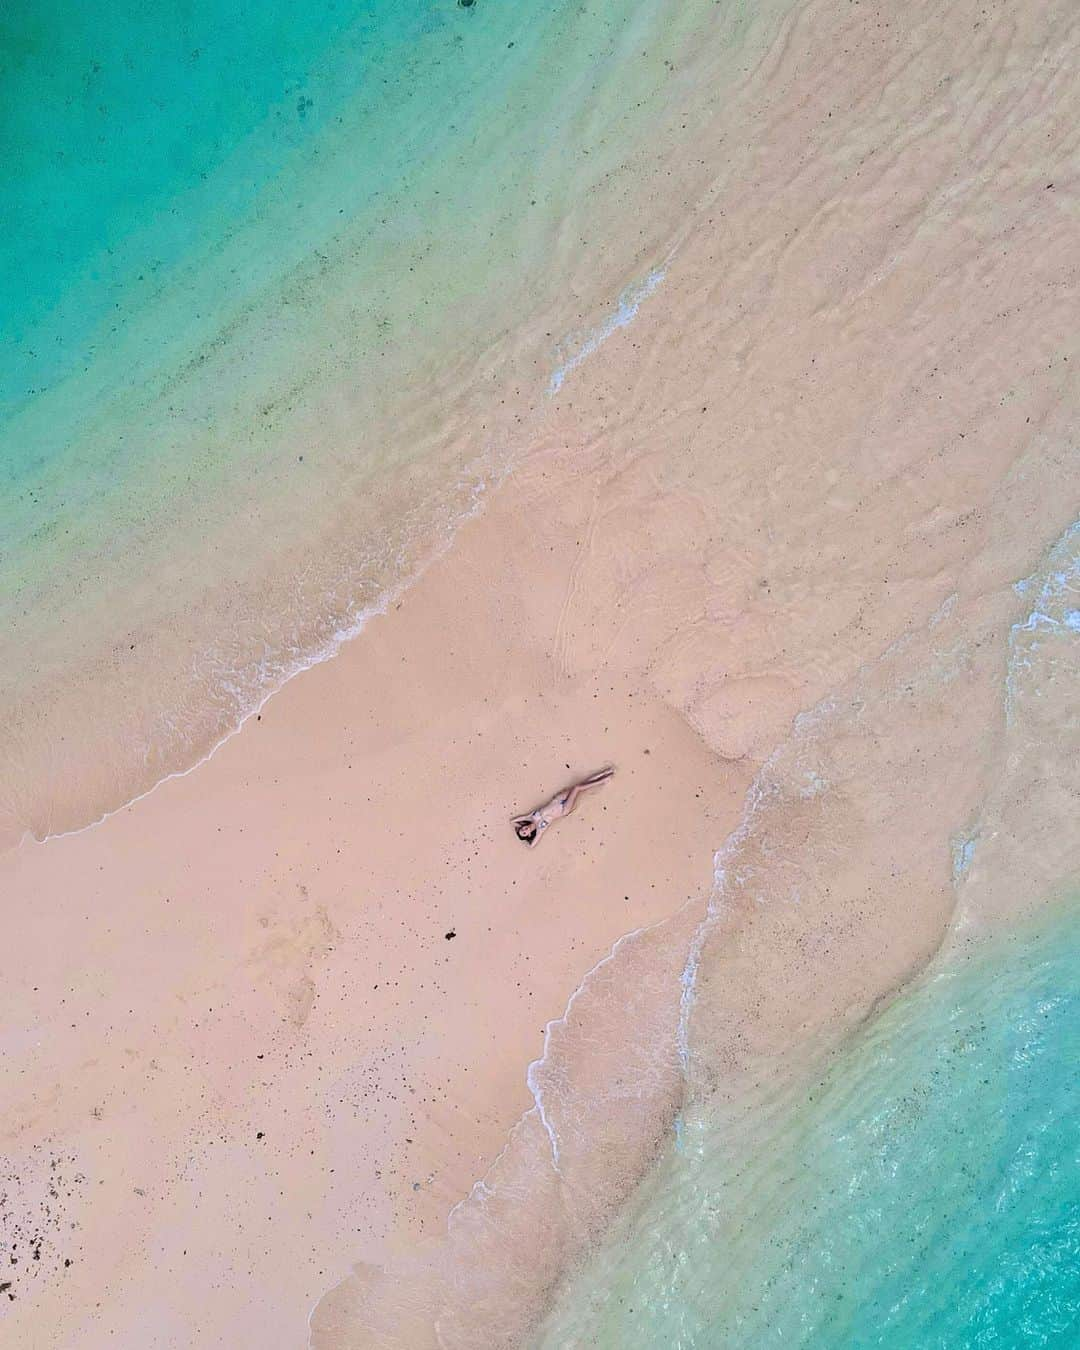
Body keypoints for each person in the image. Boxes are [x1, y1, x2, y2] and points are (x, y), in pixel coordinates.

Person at [512, 766, 615, 847]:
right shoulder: (539, 830)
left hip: (557, 800)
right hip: (563, 809)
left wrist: (517, 828)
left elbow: (512, 821)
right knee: (577, 788)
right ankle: (604, 780)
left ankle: (603, 773)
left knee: (581, 785)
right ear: (529, 835)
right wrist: (522, 836)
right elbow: (531, 845)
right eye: (525, 833)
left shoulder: (530, 816)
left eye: (522, 829)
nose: (524, 830)